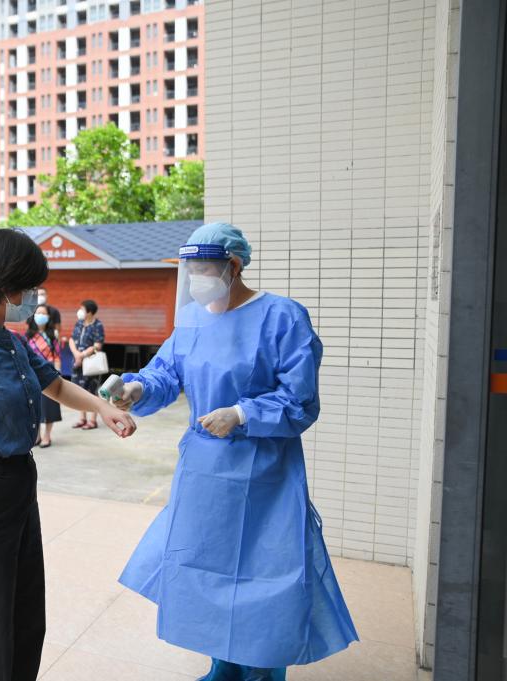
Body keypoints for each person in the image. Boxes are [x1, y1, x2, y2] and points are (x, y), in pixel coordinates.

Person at [113, 224, 357, 681]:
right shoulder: (193, 320)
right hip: (204, 474)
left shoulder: (282, 317)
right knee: (209, 570)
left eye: (203, 269)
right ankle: (222, 666)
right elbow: (165, 373)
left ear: (234, 265)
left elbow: (300, 400)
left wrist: (242, 414)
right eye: (190, 270)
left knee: (265, 575)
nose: (196, 279)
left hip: (264, 474)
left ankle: (262, 672)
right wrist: (136, 389)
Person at [0, 228, 136, 681]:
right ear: (4, 288)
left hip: (21, 484)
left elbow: (55, 385)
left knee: (25, 617)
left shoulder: (13, 342)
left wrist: (102, 407)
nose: (36, 298)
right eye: (30, 287)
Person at [26, 305, 61, 448]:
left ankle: (47, 436)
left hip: (48, 373)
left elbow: (57, 356)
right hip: (31, 374)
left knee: (49, 406)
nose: (40, 315)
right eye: (38, 313)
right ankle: (37, 436)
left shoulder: (53, 335)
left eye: (43, 313)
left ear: (48, 317)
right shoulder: (28, 335)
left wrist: (58, 374)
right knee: (34, 406)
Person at [68, 299, 105, 430]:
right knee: (79, 391)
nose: (80, 311)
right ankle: (82, 418)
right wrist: (76, 354)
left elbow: (97, 345)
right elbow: (72, 339)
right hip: (77, 362)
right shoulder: (79, 323)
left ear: (89, 312)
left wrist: (82, 355)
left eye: (82, 309)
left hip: (90, 363)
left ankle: (93, 420)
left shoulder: (98, 325)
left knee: (92, 391)